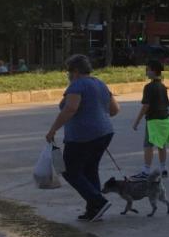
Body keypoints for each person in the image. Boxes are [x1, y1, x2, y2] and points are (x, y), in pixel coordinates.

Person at [45, 54, 119, 222]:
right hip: (105, 133)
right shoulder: (100, 83)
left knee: (69, 171)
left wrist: (53, 130)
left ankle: (98, 202)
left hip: (82, 137)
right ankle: (93, 210)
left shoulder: (77, 85)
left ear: (76, 71)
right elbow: (114, 110)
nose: (67, 74)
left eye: (68, 71)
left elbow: (70, 108)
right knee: (90, 170)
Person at [132, 60, 169, 179]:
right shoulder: (163, 86)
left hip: (153, 119)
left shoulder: (149, 87)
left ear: (154, 71)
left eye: (148, 69)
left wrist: (137, 121)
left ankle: (146, 171)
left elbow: (146, 105)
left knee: (148, 145)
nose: (146, 71)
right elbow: (166, 103)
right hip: (165, 118)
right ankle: (163, 168)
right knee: (161, 144)